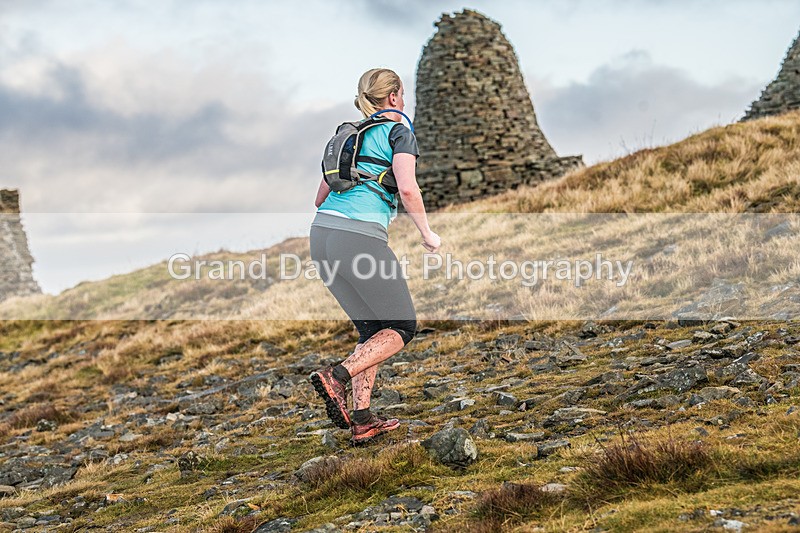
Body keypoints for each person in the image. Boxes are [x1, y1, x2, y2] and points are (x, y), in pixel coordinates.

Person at [308, 68, 441, 446]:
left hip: (321, 236)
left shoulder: (348, 134)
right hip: (358, 239)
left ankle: (363, 418)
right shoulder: (399, 131)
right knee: (402, 327)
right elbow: (409, 189)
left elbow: (319, 197)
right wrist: (427, 234)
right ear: (395, 96)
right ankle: (336, 376)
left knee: (372, 331)